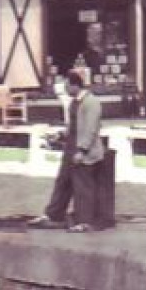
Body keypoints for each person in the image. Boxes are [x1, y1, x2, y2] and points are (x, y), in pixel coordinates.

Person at [30, 70, 106, 233]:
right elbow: (73, 126)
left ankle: (84, 221)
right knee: (63, 182)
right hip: (70, 147)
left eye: (67, 86)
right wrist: (60, 135)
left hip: (84, 151)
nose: (65, 89)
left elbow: (91, 129)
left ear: (75, 85)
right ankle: (53, 214)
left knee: (82, 186)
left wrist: (82, 150)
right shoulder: (74, 103)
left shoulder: (91, 102)